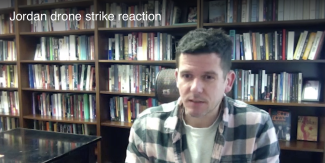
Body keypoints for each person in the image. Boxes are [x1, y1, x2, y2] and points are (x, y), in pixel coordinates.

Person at [125, 28, 280, 163]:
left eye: (208, 77)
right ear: (177, 78)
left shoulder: (258, 125)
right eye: (187, 76)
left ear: (228, 81)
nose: (195, 88)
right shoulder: (145, 125)